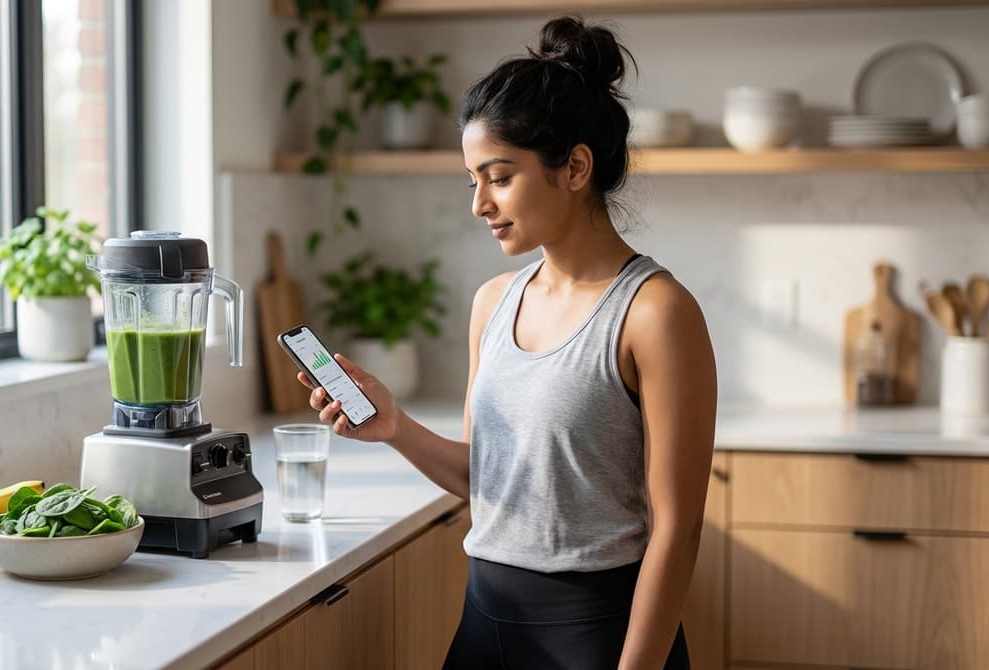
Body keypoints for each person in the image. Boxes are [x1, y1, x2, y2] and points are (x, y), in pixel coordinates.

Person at [298, 15, 717, 670]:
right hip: (485, 625)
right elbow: (483, 480)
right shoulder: (492, 303)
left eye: (498, 176)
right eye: (473, 180)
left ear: (575, 167)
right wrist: (394, 426)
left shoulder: (656, 313)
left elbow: (677, 529)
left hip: (599, 636)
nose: (479, 204)